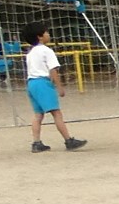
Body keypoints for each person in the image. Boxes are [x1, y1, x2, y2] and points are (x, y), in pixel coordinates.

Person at [20, 22, 86, 153]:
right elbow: (53, 70)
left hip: (32, 83)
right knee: (57, 113)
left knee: (38, 115)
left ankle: (36, 143)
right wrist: (59, 86)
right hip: (43, 83)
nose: (48, 35)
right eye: (46, 33)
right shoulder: (46, 51)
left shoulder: (30, 52)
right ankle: (69, 140)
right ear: (39, 36)